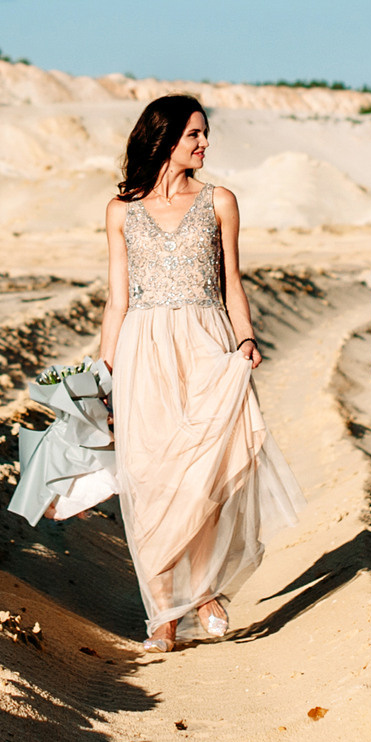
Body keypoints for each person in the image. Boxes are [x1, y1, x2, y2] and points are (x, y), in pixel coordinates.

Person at [97, 94, 302, 652]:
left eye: (205, 134)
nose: (205, 144)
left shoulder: (220, 202)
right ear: (163, 139)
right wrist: (102, 372)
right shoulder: (121, 211)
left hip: (209, 345)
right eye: (195, 135)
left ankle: (203, 588)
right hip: (144, 350)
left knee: (204, 475)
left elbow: (232, 281)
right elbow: (116, 300)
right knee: (151, 475)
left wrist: (246, 337)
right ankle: (163, 612)